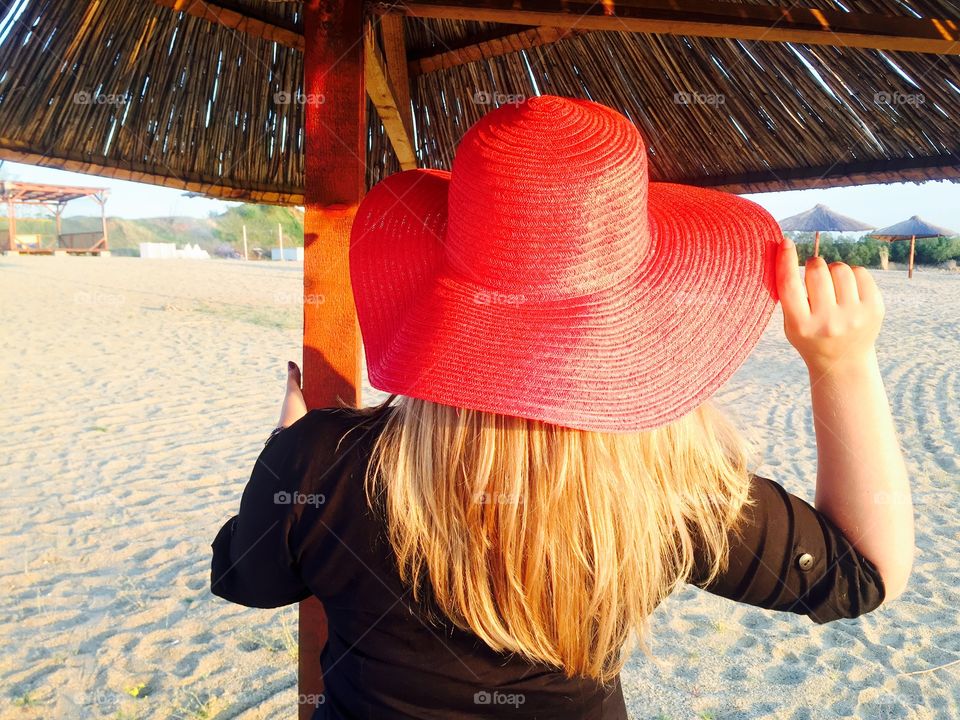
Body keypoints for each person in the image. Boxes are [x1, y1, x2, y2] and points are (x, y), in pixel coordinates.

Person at [211, 96, 914, 719]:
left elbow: (249, 579)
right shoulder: (670, 489)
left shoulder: (322, 460)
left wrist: (289, 448)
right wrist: (843, 365)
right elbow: (863, 573)